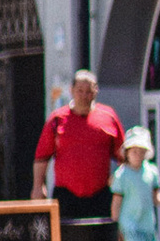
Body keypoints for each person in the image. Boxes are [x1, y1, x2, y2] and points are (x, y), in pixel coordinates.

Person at [34, 68, 124, 207]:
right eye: (80, 90)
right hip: (66, 195)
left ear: (96, 91)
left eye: (89, 91)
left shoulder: (109, 117)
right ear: (71, 90)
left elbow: (124, 157)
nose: (84, 95)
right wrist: (38, 186)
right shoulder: (57, 119)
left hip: (100, 194)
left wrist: (119, 181)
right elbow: (42, 157)